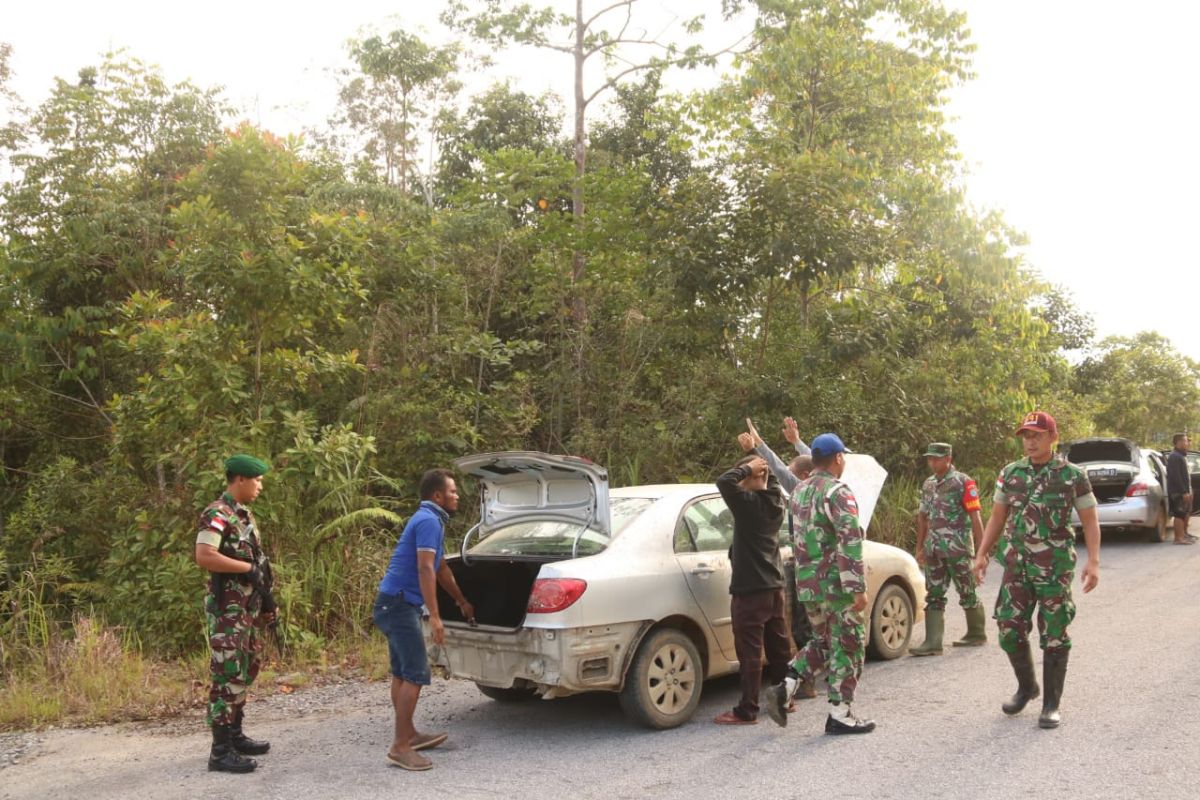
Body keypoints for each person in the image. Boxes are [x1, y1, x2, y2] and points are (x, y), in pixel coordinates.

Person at [972, 411, 1101, 729]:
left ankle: (1051, 704)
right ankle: (1027, 687)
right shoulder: (1011, 473)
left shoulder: (1072, 475)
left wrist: (1094, 561)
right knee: (1009, 628)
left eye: (1036, 435)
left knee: (1054, 633)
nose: (1030, 441)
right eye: (1026, 436)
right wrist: (981, 554)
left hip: (1054, 568)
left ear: (1052, 438)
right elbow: (997, 517)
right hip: (1016, 565)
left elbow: (1089, 519)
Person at [762, 433, 876, 735]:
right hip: (837, 586)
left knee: (824, 642)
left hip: (809, 586)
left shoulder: (799, 492)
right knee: (849, 645)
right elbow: (849, 542)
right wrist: (857, 588)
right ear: (838, 458)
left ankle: (786, 686)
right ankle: (841, 713)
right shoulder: (838, 492)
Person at [373, 468, 475, 770]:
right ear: (437, 495)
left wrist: (461, 600)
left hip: (392, 603)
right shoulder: (429, 520)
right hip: (401, 605)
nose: (457, 495)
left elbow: (441, 568)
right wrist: (435, 616)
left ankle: (409, 735)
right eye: (453, 491)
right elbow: (425, 569)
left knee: (403, 673)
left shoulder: (430, 520)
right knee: (416, 674)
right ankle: (400, 746)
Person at [194, 454, 277, 774]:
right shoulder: (217, 513)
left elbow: (257, 564)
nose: (260, 485)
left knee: (247, 668)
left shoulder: (243, 515)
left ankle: (236, 734)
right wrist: (246, 568)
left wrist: (266, 603)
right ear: (239, 479)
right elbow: (204, 556)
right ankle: (220, 751)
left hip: (247, 610)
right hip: (228, 612)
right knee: (226, 675)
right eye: (256, 480)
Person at [712, 443, 791, 725]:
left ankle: (748, 709)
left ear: (753, 476)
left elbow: (724, 481)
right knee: (778, 648)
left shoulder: (748, 505)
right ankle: (785, 696)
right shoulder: (775, 501)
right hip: (774, 588)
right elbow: (774, 480)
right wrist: (758, 456)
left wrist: (748, 468)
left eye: (746, 476)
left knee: (750, 653)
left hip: (751, 591)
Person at [744, 417, 816, 660]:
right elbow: (817, 462)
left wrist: (758, 446)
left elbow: (779, 470)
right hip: (818, 563)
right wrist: (797, 442)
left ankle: (808, 676)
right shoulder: (830, 485)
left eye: (795, 476)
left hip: (809, 565)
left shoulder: (805, 490)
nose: (789, 481)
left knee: (803, 622)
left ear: (804, 477)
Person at [910, 442, 987, 655]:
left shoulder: (963, 482)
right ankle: (933, 642)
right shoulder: (928, 484)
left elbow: (975, 516)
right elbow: (923, 518)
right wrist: (920, 547)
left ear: (948, 458)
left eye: (936, 458)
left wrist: (982, 551)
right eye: (930, 458)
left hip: (958, 548)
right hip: (934, 548)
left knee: (967, 590)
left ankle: (976, 633)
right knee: (933, 593)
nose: (932, 462)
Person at [1166, 433, 1196, 545]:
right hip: (1177, 492)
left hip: (1182, 490)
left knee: (1183, 513)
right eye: (1185, 441)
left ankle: (1183, 535)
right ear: (1178, 442)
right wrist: (1184, 492)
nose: (1187, 443)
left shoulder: (1181, 455)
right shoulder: (1175, 456)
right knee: (1179, 514)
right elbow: (1176, 476)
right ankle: (1178, 539)